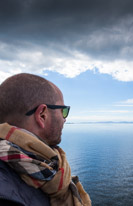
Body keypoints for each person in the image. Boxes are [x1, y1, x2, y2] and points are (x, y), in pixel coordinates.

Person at [0, 73, 91, 206]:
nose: (65, 119)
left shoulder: (47, 169)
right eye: (64, 111)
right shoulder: (8, 198)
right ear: (42, 115)